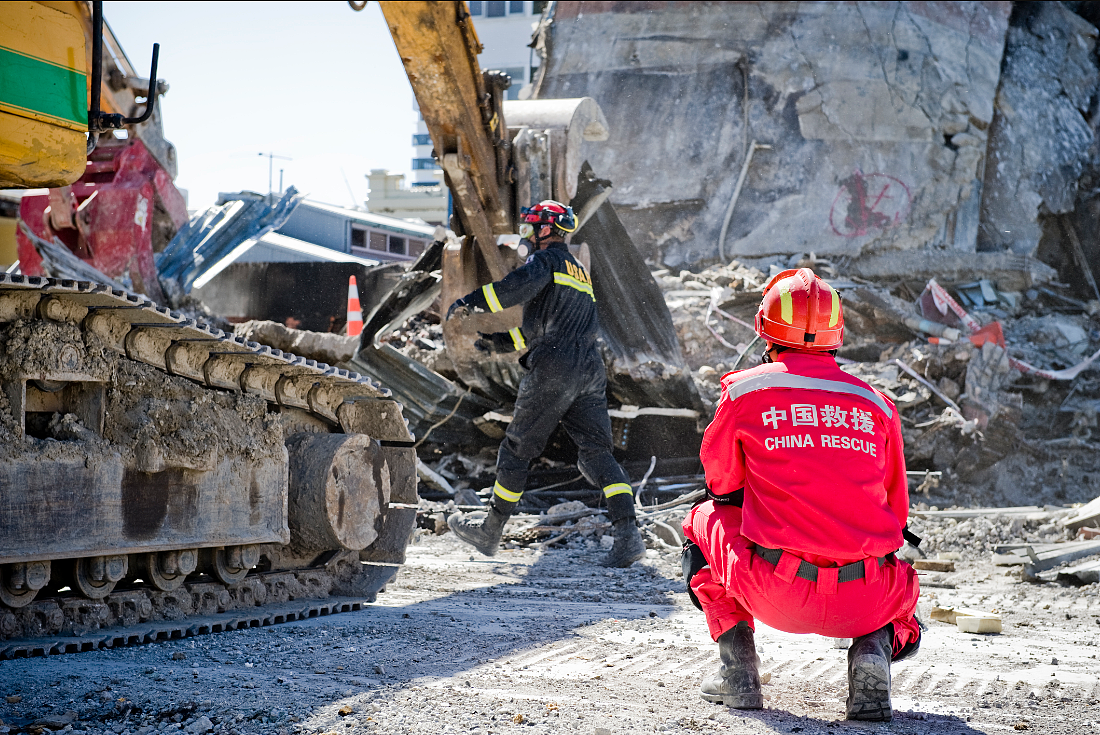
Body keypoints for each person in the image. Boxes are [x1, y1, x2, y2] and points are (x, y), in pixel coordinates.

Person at [680, 267, 921, 722]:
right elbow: (896, 514)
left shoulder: (746, 390)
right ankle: (872, 650)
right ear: (837, 333)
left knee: (702, 519)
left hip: (774, 589)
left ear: (764, 327)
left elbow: (723, 486)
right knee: (901, 573)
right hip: (865, 598)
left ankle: (739, 670)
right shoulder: (877, 405)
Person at [444, 200, 646, 568]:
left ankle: (489, 531)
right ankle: (628, 535)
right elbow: (547, 328)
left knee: (517, 450)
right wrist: (500, 342)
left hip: (554, 368)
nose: (526, 235)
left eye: (530, 227)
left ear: (547, 230)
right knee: (597, 454)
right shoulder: (578, 271)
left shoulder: (545, 262)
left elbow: (512, 290)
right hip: (588, 368)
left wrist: (468, 302)